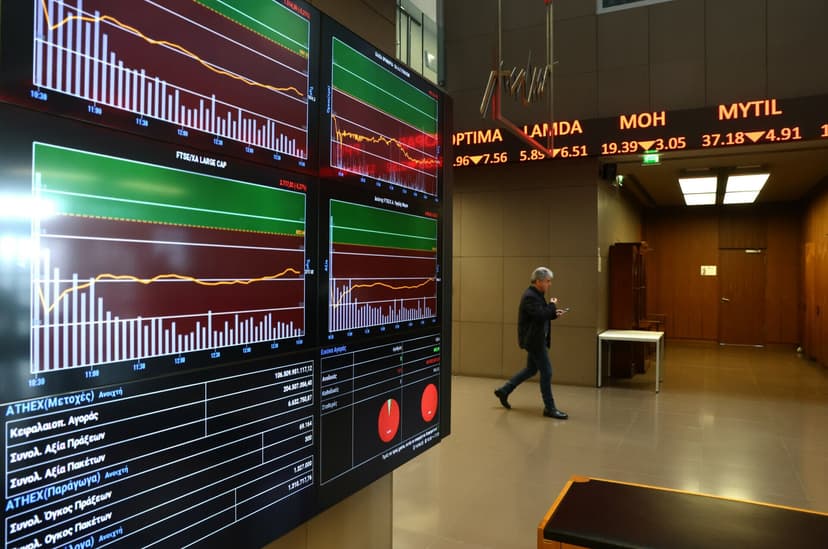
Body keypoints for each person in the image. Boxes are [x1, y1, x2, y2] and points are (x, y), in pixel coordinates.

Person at [494, 267, 568, 419]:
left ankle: (504, 390)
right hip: (534, 341)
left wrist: (554, 313)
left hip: (536, 339)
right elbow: (541, 314)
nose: (549, 284)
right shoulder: (530, 296)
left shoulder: (537, 295)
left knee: (531, 369)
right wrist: (552, 305)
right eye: (548, 281)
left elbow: (541, 314)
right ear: (538, 281)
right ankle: (550, 408)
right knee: (547, 372)